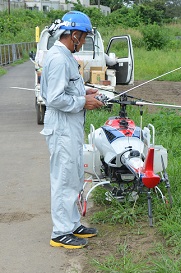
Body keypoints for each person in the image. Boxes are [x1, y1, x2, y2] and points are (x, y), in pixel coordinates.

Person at [40, 11, 104, 249]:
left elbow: (66, 90)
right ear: (73, 35)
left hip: (71, 126)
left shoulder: (65, 56)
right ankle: (60, 232)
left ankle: (73, 223)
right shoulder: (58, 58)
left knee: (75, 175)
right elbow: (55, 98)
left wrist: (84, 93)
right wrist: (82, 102)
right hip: (61, 127)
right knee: (63, 179)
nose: (84, 42)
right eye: (84, 37)